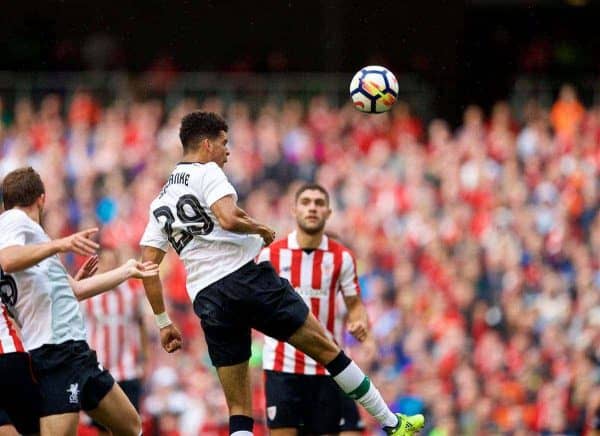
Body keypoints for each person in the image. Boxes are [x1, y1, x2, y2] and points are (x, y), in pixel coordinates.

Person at [139, 111, 425, 436]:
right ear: (206, 145)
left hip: (208, 298)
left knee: (239, 409)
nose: (227, 151)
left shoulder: (160, 200)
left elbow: (147, 267)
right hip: (245, 279)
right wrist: (260, 228)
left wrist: (163, 323)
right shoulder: (207, 172)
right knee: (328, 350)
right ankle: (392, 423)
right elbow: (228, 218)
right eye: (224, 143)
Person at [0, 166, 158, 436]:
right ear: (42, 198)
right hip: (52, 355)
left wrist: (126, 271)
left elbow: (75, 290)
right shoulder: (14, 220)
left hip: (78, 352)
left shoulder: (35, 243)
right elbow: (8, 259)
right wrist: (60, 245)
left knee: (131, 427)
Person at [258, 183, 372, 435]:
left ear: (328, 212)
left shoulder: (342, 258)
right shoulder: (271, 256)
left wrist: (359, 322)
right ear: (294, 209)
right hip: (282, 367)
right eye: (306, 202)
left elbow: (355, 306)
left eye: (319, 203)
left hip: (327, 367)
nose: (312, 208)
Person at [81, 248, 149, 435]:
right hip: (99, 368)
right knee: (102, 426)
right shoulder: (88, 293)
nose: (109, 265)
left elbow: (142, 324)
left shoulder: (131, 293)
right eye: (105, 262)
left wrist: (145, 359)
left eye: (113, 261)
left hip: (128, 369)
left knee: (130, 425)